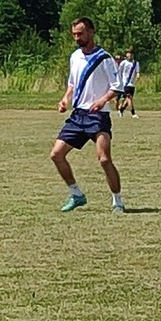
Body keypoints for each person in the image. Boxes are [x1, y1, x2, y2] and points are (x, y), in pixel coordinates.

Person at [52, 16, 125, 213]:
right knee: (56, 154)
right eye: (74, 34)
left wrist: (102, 100)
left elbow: (117, 86)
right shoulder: (75, 57)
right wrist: (65, 99)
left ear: (91, 32)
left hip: (98, 116)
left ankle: (117, 201)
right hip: (78, 116)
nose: (77, 38)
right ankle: (76, 194)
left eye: (80, 34)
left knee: (104, 159)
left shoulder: (104, 58)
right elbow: (72, 84)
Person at [112, 48, 140, 115]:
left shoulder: (136, 63)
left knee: (127, 100)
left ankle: (121, 109)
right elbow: (119, 72)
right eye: (128, 53)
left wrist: (138, 76)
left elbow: (137, 71)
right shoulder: (124, 63)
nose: (129, 55)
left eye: (131, 53)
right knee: (129, 97)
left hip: (132, 84)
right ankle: (133, 113)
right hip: (125, 83)